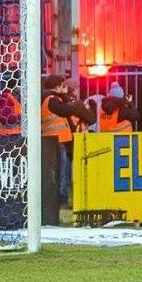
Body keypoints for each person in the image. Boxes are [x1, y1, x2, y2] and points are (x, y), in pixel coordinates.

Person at [41, 75, 90, 223]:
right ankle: (60, 202)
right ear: (57, 86)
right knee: (59, 175)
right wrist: (77, 105)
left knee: (58, 174)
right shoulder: (52, 100)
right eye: (62, 86)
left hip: (52, 140)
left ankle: (59, 201)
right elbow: (65, 111)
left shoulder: (47, 98)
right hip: (56, 141)